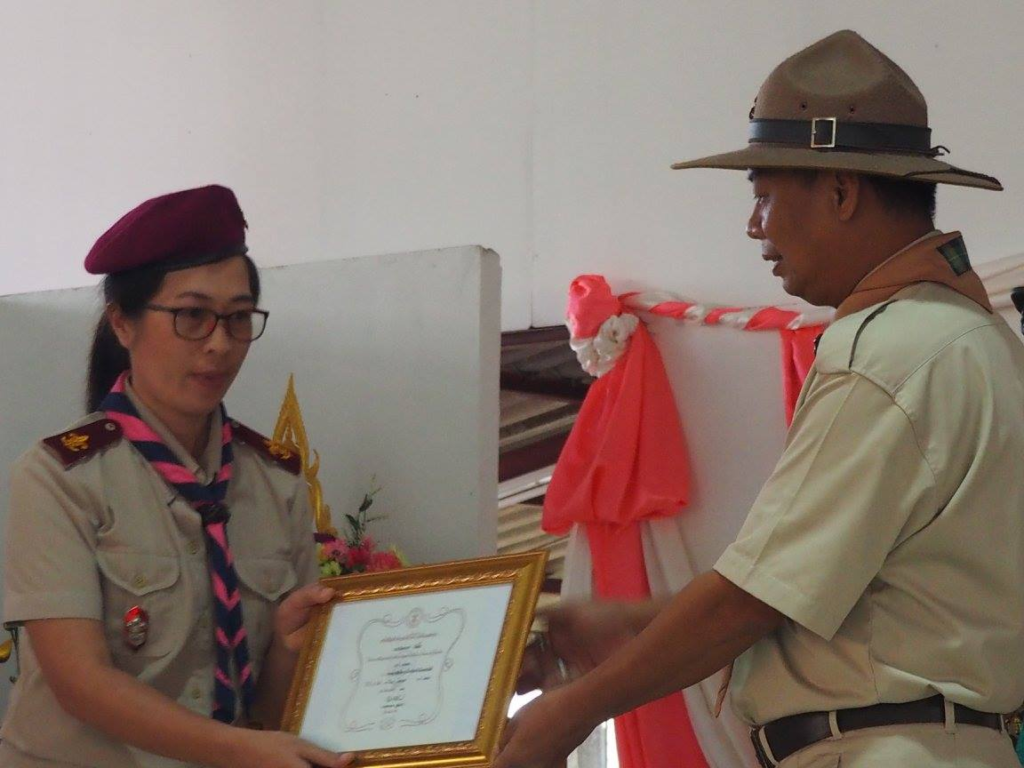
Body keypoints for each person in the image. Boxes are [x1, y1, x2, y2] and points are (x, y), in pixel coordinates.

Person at [495, 30, 1024, 768]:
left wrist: (571, 712)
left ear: (840, 192)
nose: (754, 227)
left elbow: (755, 600)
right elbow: (854, 596)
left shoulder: (888, 349)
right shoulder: (980, 345)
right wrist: (639, 626)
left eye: (764, 195)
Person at [1, 185, 352, 768]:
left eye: (238, 318)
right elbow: (79, 683)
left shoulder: (278, 482)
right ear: (122, 322)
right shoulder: (60, 478)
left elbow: (267, 712)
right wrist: (240, 749)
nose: (219, 344)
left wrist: (290, 649)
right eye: (192, 316)